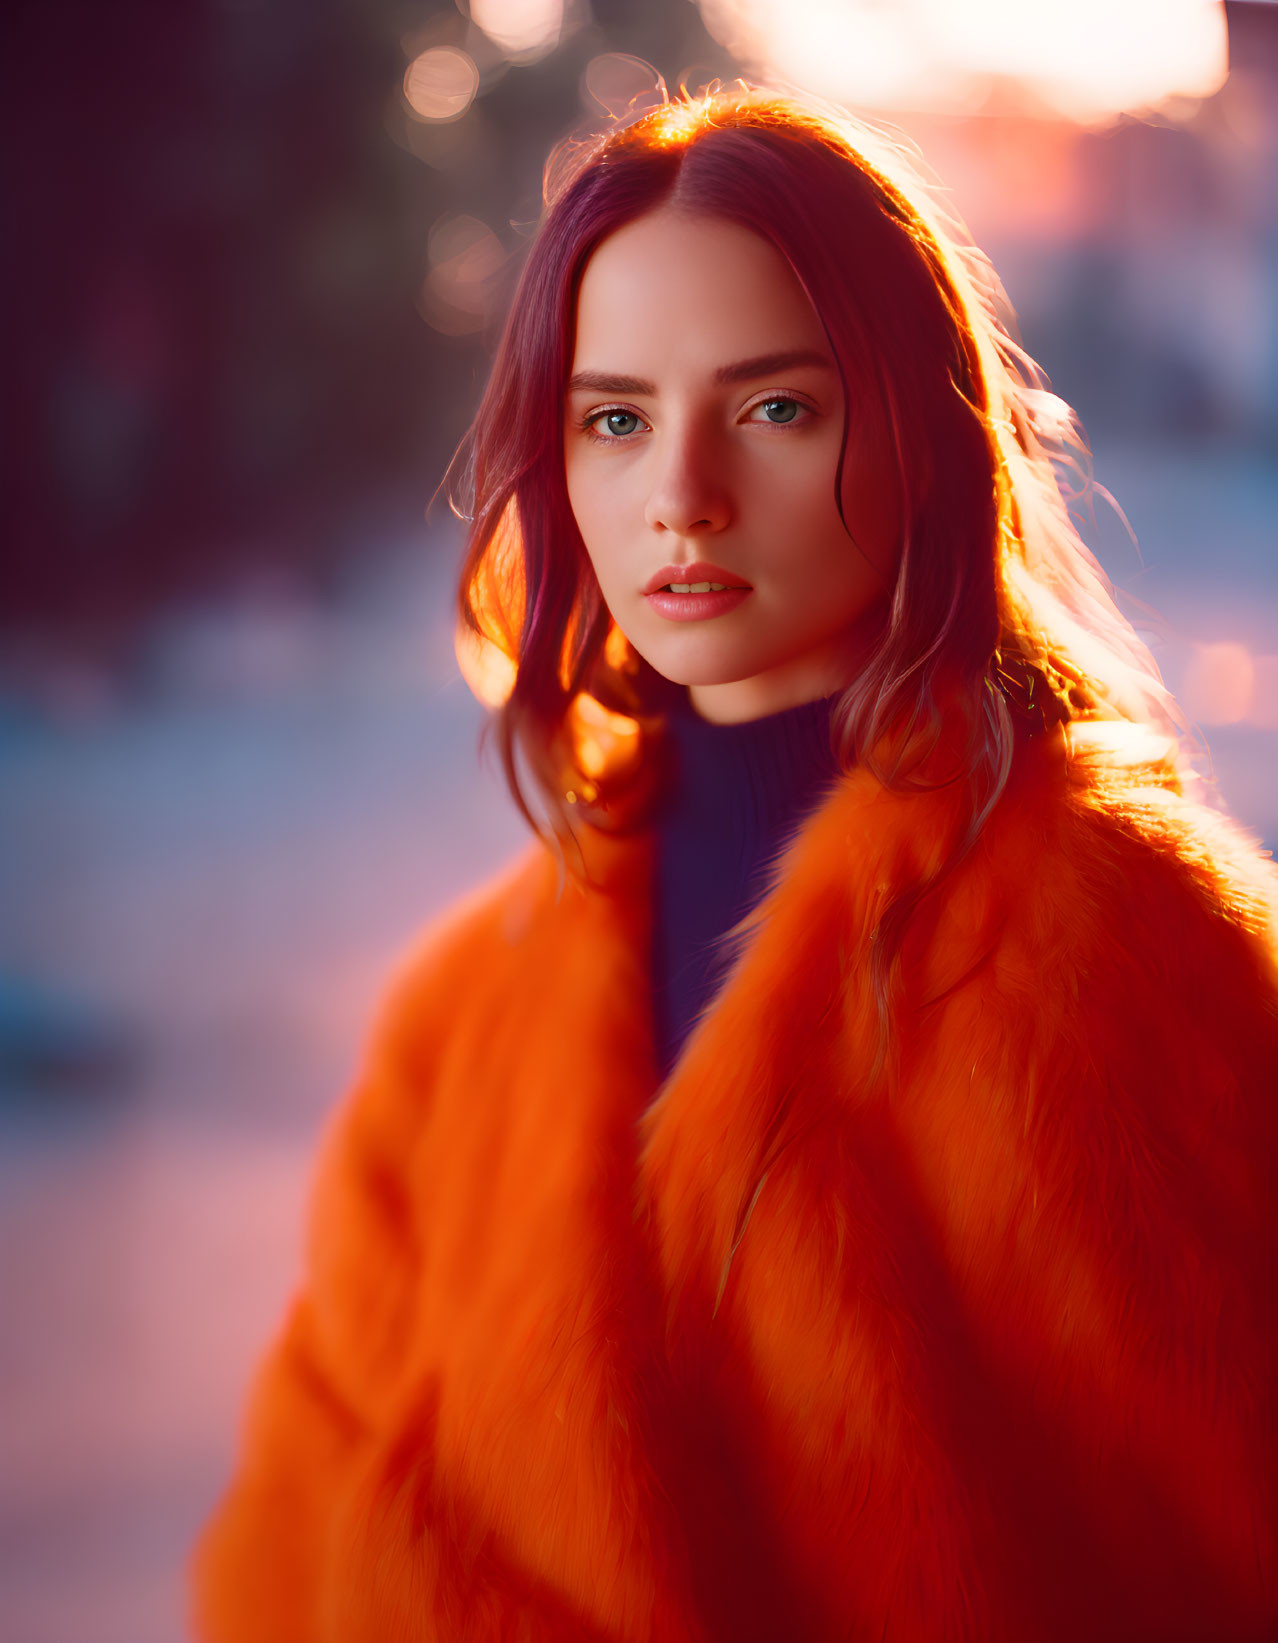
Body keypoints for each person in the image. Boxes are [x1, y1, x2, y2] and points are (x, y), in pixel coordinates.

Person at [191, 84, 1278, 1642]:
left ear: (919, 431)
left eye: (774, 407)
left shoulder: (1111, 944)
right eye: (614, 418)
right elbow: (290, 1562)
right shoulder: (461, 1018)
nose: (680, 494)